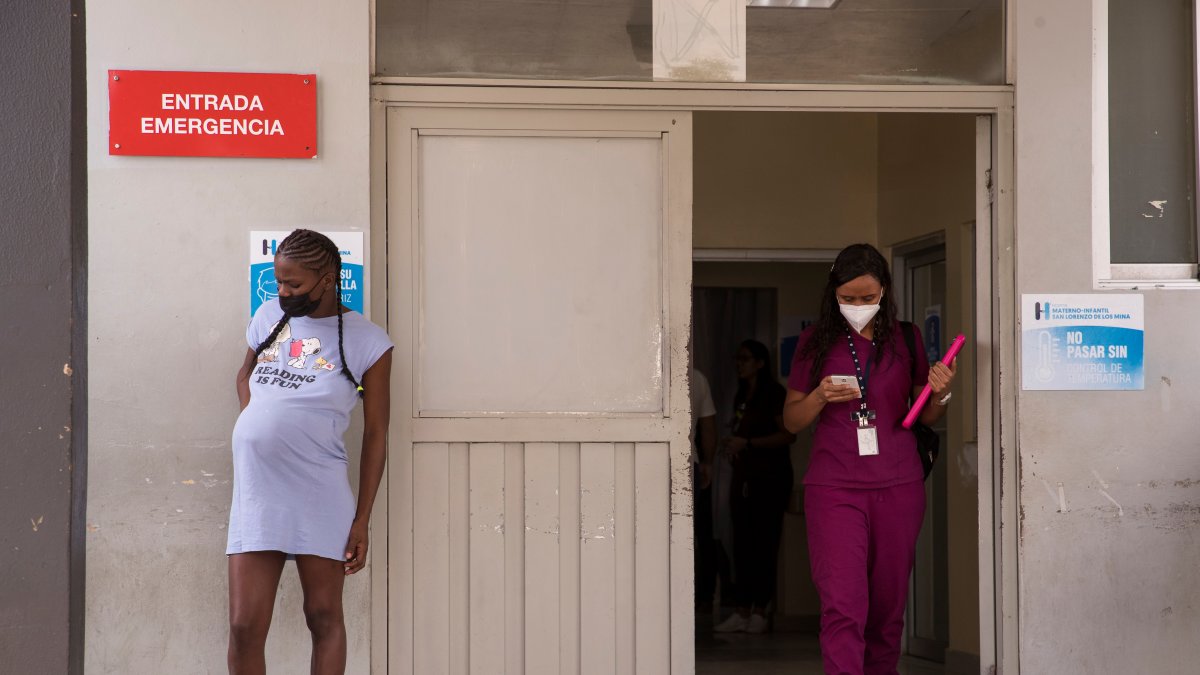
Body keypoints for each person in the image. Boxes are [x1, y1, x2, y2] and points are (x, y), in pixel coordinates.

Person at [226, 229, 394, 675]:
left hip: (320, 490)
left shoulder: (368, 341)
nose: (283, 292)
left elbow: (377, 432)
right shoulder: (268, 316)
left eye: (294, 284)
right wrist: (257, 422)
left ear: (327, 280)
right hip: (259, 491)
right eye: (279, 281)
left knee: (322, 616)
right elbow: (244, 374)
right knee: (243, 626)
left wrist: (362, 519)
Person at [783, 243, 956, 675]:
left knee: (887, 610)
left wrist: (941, 392)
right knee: (843, 606)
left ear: (884, 291)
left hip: (899, 485)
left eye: (867, 297)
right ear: (833, 293)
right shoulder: (814, 342)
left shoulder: (906, 337)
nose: (858, 306)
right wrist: (820, 396)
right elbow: (791, 420)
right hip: (835, 488)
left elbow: (925, 415)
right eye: (848, 298)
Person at [713, 339, 797, 634]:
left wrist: (748, 443)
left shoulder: (774, 394)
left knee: (765, 544)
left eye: (745, 358)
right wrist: (734, 445)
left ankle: (760, 609)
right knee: (742, 544)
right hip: (744, 477)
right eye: (737, 358)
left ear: (760, 363)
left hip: (769, 478)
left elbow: (788, 435)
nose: (740, 364)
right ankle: (742, 608)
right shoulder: (741, 394)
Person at [690, 367, 719, 612]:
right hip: (690, 463)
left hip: (652, 459)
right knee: (688, 537)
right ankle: (689, 599)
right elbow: (708, 427)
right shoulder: (697, 378)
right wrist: (707, 463)